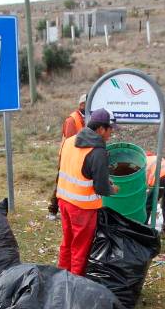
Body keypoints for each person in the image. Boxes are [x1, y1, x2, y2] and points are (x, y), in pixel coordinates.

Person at [56, 108, 118, 276]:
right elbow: (101, 188)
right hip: (82, 207)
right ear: (101, 129)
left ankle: (61, 277)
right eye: (110, 129)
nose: (111, 134)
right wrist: (112, 188)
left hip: (64, 200)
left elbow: (69, 169)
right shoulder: (97, 151)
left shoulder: (70, 141)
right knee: (80, 247)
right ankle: (75, 285)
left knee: (67, 242)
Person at [49, 93, 89, 216]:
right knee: (61, 183)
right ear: (82, 105)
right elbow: (71, 142)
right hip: (68, 157)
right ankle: (53, 210)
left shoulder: (86, 118)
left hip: (79, 157)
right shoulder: (72, 120)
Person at [144, 152, 165, 232]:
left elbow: (144, 179)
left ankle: (143, 227)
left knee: (149, 204)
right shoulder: (157, 158)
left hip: (162, 179)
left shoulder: (145, 161)